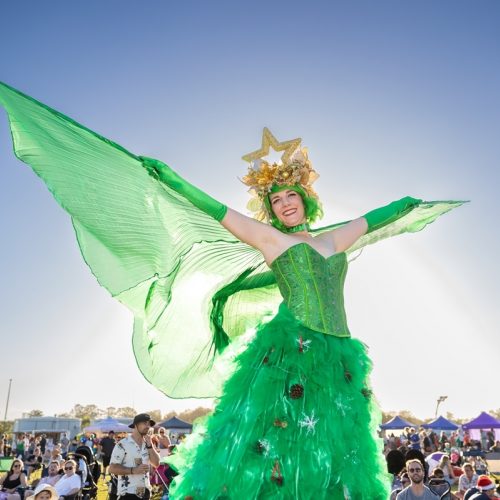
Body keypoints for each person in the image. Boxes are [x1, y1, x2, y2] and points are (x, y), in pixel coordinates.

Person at [0, 84, 465, 499]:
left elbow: (374, 218)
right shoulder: (271, 241)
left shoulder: (332, 240)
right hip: (291, 350)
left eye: (290, 196)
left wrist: (408, 204)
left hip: (339, 355)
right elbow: (220, 210)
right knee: (268, 442)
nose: (284, 205)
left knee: (339, 445)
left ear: (306, 197)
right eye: (275, 200)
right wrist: (175, 181)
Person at [108, 413, 160, 500]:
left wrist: (150, 445)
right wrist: (133, 470)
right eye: (144, 423)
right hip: (128, 493)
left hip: (145, 492)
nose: (148, 426)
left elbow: (156, 463)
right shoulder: (122, 444)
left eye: (149, 424)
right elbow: (112, 468)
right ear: (135, 425)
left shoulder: (148, 444)